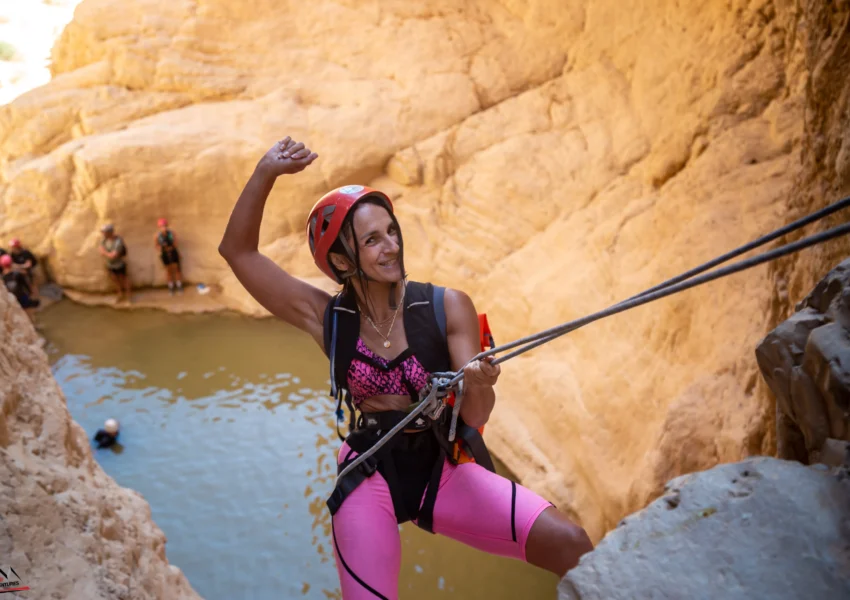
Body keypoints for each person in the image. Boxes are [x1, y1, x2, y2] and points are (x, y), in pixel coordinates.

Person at [219, 136, 593, 599]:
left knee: (572, 544)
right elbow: (238, 253)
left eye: (391, 231)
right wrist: (265, 173)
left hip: (445, 466)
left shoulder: (445, 307)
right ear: (340, 260)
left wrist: (478, 383)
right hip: (370, 473)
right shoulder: (329, 319)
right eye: (372, 240)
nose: (391, 246)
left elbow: (475, 417)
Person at [98, 224, 131, 302]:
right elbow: (100, 250)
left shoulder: (118, 241)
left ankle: (129, 297)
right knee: (115, 280)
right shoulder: (104, 240)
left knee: (124, 280)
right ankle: (120, 295)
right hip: (110, 265)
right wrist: (107, 253)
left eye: (105, 232)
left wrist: (105, 253)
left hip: (120, 264)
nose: (103, 234)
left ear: (110, 232)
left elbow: (113, 255)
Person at [1, 254, 39, 322]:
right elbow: (25, 285)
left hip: (13, 299)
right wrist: (30, 293)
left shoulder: (3, 278)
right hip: (22, 296)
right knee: (28, 312)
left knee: (21, 314)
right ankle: (33, 324)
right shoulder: (17, 274)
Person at [153, 218, 184, 295]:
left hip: (173, 252)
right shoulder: (157, 236)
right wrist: (162, 247)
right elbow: (156, 246)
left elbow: (176, 243)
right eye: (161, 226)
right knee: (168, 270)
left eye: (164, 225)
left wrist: (170, 245)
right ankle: (171, 287)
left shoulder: (171, 233)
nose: (163, 227)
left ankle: (179, 285)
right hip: (164, 253)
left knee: (177, 269)